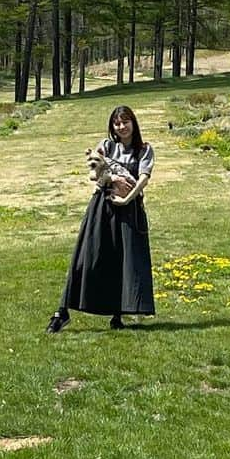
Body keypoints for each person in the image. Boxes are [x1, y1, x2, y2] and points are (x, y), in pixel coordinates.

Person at [46, 105, 155, 332]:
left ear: (133, 123)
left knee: (122, 260)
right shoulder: (106, 146)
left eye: (125, 122)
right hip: (102, 207)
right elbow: (94, 172)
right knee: (85, 258)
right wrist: (113, 177)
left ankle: (118, 315)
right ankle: (62, 311)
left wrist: (127, 200)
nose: (121, 127)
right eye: (117, 123)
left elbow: (143, 179)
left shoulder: (144, 149)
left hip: (129, 210)